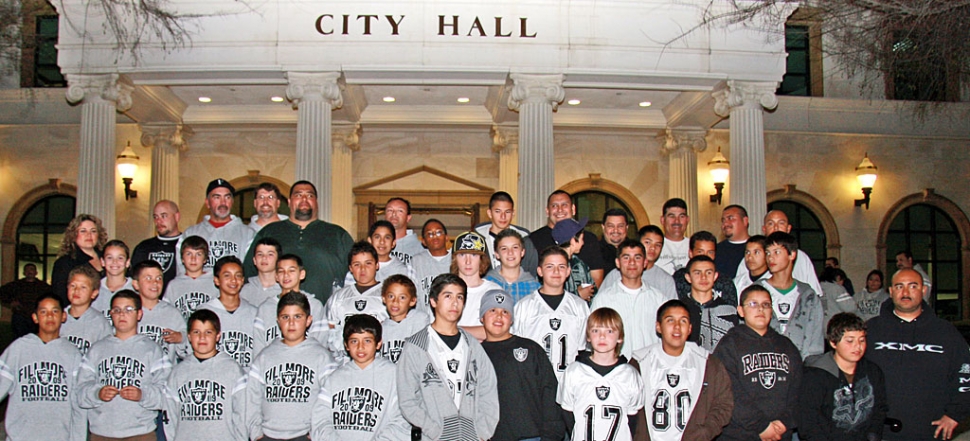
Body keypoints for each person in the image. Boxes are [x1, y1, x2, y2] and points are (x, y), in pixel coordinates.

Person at [865, 269, 970, 441]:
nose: (905, 292)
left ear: (923, 290)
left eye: (913, 286)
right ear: (890, 292)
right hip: (879, 432)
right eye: (899, 286)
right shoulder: (871, 330)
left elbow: (965, 373)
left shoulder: (946, 333)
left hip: (929, 431)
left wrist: (955, 414)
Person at [396, 273, 499, 441]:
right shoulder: (416, 346)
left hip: (470, 436)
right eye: (448, 296)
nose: (455, 303)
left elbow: (488, 391)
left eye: (459, 297)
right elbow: (407, 400)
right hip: (433, 436)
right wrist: (436, 431)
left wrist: (482, 432)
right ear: (433, 301)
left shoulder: (472, 346)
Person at [632, 299, 734, 441]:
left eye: (683, 321)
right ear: (658, 327)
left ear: (690, 328)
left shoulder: (708, 363)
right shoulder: (639, 362)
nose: (677, 327)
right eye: (670, 321)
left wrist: (705, 431)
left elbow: (724, 404)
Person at [77, 290, 172, 441]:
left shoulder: (153, 350)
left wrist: (142, 395)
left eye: (128, 310)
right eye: (117, 310)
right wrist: (97, 393)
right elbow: (80, 392)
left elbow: (167, 394)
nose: (122, 315)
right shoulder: (96, 350)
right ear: (110, 314)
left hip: (141, 434)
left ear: (139, 314)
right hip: (101, 434)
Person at [714, 285, 802, 441]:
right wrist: (761, 426)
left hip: (779, 432)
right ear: (741, 311)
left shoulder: (787, 346)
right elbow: (728, 390)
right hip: (740, 434)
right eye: (753, 304)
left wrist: (785, 422)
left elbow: (798, 389)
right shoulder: (729, 345)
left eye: (766, 305)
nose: (760, 309)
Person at [246, 291, 337, 441]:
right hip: (268, 435)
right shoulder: (265, 357)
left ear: (308, 320)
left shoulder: (322, 358)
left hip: (304, 435)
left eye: (298, 316)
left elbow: (330, 401)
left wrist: (317, 433)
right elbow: (252, 399)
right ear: (278, 321)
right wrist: (256, 433)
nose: (291, 323)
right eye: (285, 317)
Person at [244, 180, 353, 304]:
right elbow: (249, 274)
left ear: (316, 203)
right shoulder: (269, 232)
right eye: (298, 195)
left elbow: (356, 275)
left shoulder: (338, 235)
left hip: (325, 315)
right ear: (289, 202)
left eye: (310, 195)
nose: (304, 199)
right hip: (276, 314)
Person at [480, 289, 565, 441]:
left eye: (505, 311)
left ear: (512, 319)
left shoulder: (531, 349)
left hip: (532, 436)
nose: (499, 316)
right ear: (482, 317)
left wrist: (551, 436)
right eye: (492, 310)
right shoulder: (474, 355)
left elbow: (549, 392)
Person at [0, 292, 85, 441]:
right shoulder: (18, 349)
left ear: (63, 316)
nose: (50, 316)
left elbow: (78, 404)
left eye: (55, 311)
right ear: (35, 317)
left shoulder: (72, 354)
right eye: (43, 311)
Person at [311, 314, 410, 440]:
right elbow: (320, 420)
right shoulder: (335, 378)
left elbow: (402, 420)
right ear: (346, 345)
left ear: (379, 343)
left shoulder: (394, 375)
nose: (360, 347)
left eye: (367, 340)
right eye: (354, 341)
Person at [558, 307, 645, 441]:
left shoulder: (630, 375)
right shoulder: (573, 372)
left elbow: (632, 420)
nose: (602, 336)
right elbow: (568, 417)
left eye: (609, 331)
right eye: (595, 330)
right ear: (588, 336)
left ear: (620, 337)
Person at [799, 313, 887, 441]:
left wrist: (873, 435)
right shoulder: (815, 375)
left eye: (862, 340)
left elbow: (880, 409)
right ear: (833, 342)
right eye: (850, 341)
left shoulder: (873, 372)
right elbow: (808, 421)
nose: (858, 346)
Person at [164, 309, 248, 441]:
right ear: (189, 337)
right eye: (196, 332)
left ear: (218, 336)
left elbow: (242, 415)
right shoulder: (178, 373)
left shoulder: (232, 370)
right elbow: (171, 416)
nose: (202, 337)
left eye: (208, 332)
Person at [513, 247, 591, 381]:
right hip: (535, 381)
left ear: (568, 271)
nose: (556, 271)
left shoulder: (579, 306)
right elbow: (517, 349)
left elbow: (584, 349)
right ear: (540, 271)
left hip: (569, 382)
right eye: (550, 266)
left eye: (561, 267)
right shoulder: (524, 306)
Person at [592, 239, 670, 358]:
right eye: (626, 258)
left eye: (637, 258)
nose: (632, 263)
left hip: (650, 368)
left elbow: (666, 338)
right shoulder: (603, 299)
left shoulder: (659, 299)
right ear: (618, 263)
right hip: (617, 369)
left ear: (645, 263)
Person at [759, 231, 825, 359]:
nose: (770, 258)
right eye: (768, 253)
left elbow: (816, 339)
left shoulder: (808, 295)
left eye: (777, 252)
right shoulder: (757, 292)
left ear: (792, 254)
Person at [735, 210, 822, 296]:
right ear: (764, 229)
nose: (776, 228)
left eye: (781, 223)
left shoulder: (802, 258)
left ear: (788, 229)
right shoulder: (751, 258)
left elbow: (814, 292)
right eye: (771, 224)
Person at [253, 254, 327, 355]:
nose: (286, 275)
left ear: (302, 274)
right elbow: (258, 350)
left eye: (291, 270)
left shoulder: (315, 306)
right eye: (281, 271)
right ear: (276, 277)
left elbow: (320, 346)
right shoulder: (265, 308)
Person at [177, 178, 255, 274]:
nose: (223, 203)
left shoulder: (248, 234)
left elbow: (250, 271)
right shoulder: (190, 233)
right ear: (207, 203)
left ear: (232, 202)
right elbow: (181, 270)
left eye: (227, 197)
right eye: (217, 197)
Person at [530, 190, 605, 287]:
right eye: (554, 206)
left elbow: (597, 279)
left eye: (564, 205)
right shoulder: (533, 239)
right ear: (547, 211)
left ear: (573, 209)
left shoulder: (589, 239)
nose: (560, 210)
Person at [201, 256, 257, 368]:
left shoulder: (254, 313)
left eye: (238, 275)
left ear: (242, 280)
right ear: (216, 280)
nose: (233, 280)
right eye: (227, 275)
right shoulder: (204, 312)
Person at [603, 225, 680, 300]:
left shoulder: (665, 279)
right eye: (648, 242)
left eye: (658, 245)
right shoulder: (615, 274)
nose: (652, 248)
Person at [132, 260, 187, 364]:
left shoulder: (172, 314)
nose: (155, 282)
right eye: (148, 278)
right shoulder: (129, 312)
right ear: (136, 284)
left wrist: (180, 338)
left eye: (159, 278)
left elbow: (188, 345)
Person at [680, 255, 738, 352]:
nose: (703, 277)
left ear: (715, 276)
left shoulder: (728, 311)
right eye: (697, 273)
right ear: (688, 277)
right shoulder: (679, 309)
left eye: (708, 272)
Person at [451, 231, 501, 341]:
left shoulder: (494, 291)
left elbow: (496, 331)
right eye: (462, 255)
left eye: (474, 255)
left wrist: (455, 329)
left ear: (481, 259)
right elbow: (437, 330)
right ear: (455, 259)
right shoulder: (445, 290)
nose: (467, 261)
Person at [474, 191, 540, 275]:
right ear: (490, 213)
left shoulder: (525, 241)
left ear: (513, 213)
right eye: (498, 211)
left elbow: (531, 272)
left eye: (507, 212)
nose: (503, 216)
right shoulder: (477, 241)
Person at [51, 214, 107, 306]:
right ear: (73, 235)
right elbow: (59, 296)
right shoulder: (65, 263)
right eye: (83, 231)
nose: (89, 235)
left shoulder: (107, 257)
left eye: (93, 231)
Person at [672, 231, 738, 306]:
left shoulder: (724, 281)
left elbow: (731, 311)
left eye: (710, 252)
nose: (705, 256)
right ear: (690, 253)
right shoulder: (679, 279)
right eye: (700, 252)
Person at [61, 265, 113, 355]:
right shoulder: (58, 318)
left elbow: (106, 353)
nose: (76, 290)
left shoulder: (100, 322)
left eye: (83, 287)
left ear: (94, 293)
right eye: (73, 286)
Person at [165, 235, 220, 320]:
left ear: (205, 259)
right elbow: (167, 314)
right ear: (182, 258)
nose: (193, 259)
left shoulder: (215, 282)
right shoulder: (174, 285)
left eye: (198, 254)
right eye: (188, 254)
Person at [379, 274, 430, 363]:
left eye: (402, 297)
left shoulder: (420, 320)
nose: (395, 301)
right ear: (384, 298)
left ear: (412, 301)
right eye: (391, 296)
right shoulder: (381, 329)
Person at [131, 200, 182, 288]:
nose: (158, 221)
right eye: (156, 217)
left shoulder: (187, 246)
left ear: (177, 217)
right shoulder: (143, 247)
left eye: (164, 216)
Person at [485, 228, 541, 303]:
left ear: (522, 252)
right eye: (504, 249)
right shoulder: (487, 284)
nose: (510, 252)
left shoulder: (534, 287)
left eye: (515, 247)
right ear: (497, 254)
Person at [410, 219, 452, 314]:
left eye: (438, 232)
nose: (435, 237)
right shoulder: (416, 261)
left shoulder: (456, 259)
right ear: (423, 241)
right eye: (429, 234)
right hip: (424, 319)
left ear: (446, 237)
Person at [0, 263, 51, 337]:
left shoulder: (43, 287)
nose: (29, 272)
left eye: (31, 269)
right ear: (24, 272)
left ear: (36, 272)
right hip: (20, 317)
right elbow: (2, 293)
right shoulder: (16, 285)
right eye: (27, 270)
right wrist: (10, 302)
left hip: (37, 317)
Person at [553, 217, 597, 302]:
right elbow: (550, 298)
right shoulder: (551, 267)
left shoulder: (580, 264)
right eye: (581, 239)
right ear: (573, 241)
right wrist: (578, 295)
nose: (583, 243)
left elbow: (594, 290)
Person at [92, 240, 133, 316]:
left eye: (120, 258)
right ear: (102, 262)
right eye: (109, 258)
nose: (114, 262)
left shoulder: (136, 289)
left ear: (127, 262)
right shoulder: (94, 288)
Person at [239, 236, 282, 307]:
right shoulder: (243, 291)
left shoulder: (283, 291)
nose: (264, 258)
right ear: (254, 260)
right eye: (260, 254)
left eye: (270, 254)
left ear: (278, 260)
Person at [384, 197, 424, 265]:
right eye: (390, 210)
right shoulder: (376, 245)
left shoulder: (420, 248)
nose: (394, 214)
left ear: (408, 218)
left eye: (400, 211)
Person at [656, 198, 690, 275]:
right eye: (672, 216)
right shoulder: (654, 246)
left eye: (681, 216)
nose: (677, 221)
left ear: (687, 220)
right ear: (662, 220)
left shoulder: (694, 246)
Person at [716, 204, 750, 280]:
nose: (725, 224)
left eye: (730, 218)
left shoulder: (758, 247)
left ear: (745, 221)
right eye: (723, 220)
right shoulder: (716, 250)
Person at [599, 208, 630, 274]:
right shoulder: (594, 252)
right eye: (611, 226)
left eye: (620, 226)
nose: (615, 230)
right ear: (603, 227)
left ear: (627, 227)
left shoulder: (636, 250)